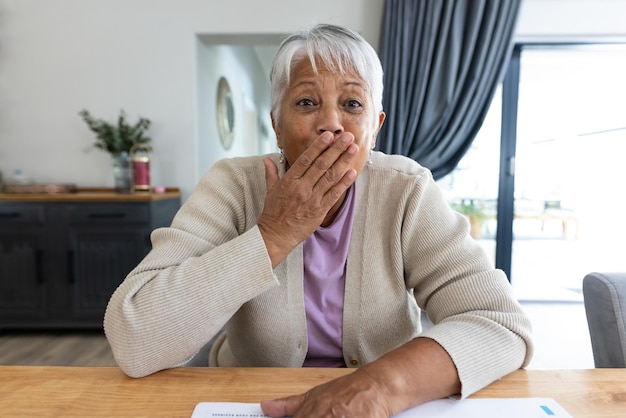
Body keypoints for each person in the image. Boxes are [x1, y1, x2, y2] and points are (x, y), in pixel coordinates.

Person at [104, 23, 533, 417]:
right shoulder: (232, 185)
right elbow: (135, 340)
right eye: (306, 102)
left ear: (375, 126)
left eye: (352, 103)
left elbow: (500, 323)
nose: (330, 123)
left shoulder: (407, 189)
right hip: (253, 403)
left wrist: (379, 387)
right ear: (276, 124)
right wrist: (274, 233)